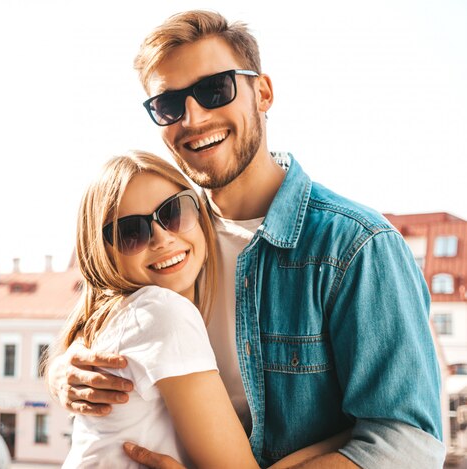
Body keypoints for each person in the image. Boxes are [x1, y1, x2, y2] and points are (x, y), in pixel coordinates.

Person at [49, 11, 445, 468]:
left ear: (263, 93)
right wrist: (63, 372)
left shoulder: (357, 246)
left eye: (215, 89)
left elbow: (407, 445)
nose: (193, 118)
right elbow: (101, 315)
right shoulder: (162, 234)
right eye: (169, 104)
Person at [60, 151, 349, 468]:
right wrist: (350, 435)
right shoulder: (162, 312)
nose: (162, 238)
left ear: (199, 213)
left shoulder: (121, 315)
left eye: (173, 212)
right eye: (131, 233)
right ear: (101, 252)